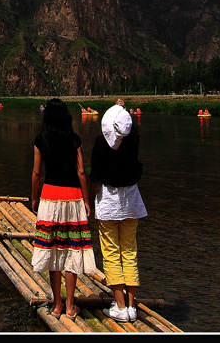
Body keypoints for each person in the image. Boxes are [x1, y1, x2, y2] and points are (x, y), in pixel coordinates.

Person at [31, 98, 96, 320]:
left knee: (53, 250)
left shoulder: (41, 140)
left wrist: (34, 198)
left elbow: (37, 173)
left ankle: (57, 305)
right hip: (73, 197)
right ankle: (70, 306)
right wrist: (86, 201)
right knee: (72, 249)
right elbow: (81, 173)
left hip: (49, 196)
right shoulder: (74, 139)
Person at [89, 99, 147, 323]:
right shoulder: (134, 139)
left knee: (111, 253)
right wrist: (122, 110)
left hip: (109, 203)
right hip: (132, 201)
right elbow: (130, 129)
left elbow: (95, 174)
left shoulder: (101, 142)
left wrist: (88, 200)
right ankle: (131, 306)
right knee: (130, 251)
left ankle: (120, 306)